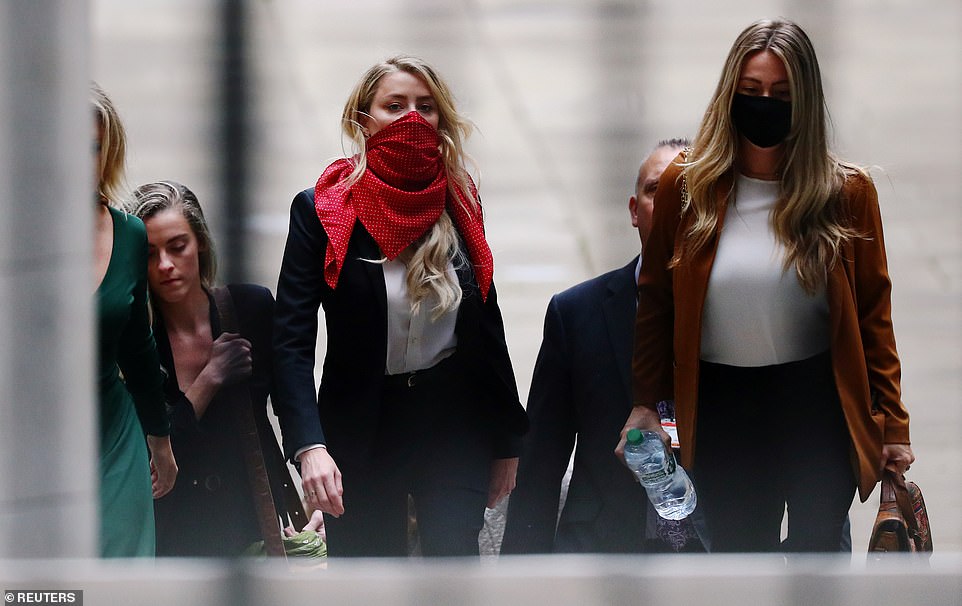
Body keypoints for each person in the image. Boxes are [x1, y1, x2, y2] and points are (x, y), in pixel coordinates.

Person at [616, 19, 914, 553]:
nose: (765, 104)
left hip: (816, 402)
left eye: (781, 93)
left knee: (818, 556)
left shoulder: (845, 191)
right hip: (723, 405)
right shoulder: (689, 185)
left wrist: (893, 425)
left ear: (805, 100)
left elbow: (874, 314)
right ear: (730, 94)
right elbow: (657, 303)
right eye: (751, 92)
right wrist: (646, 404)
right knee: (738, 558)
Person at [272, 55, 529, 557]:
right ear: (364, 121)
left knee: (452, 572)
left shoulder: (459, 198)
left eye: (425, 107)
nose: (412, 118)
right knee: (368, 577)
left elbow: (486, 323)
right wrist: (310, 447)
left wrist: (506, 440)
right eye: (395, 106)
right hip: (364, 420)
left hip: (453, 419)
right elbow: (291, 342)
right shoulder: (323, 209)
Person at [502, 140, 706, 554]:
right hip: (603, 546)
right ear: (634, 210)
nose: (671, 206)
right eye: (656, 191)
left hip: (715, 546)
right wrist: (520, 573)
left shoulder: (743, 311)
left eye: (686, 194)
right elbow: (542, 458)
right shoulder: (577, 313)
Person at [131, 181, 323, 556]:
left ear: (200, 242)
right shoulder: (138, 341)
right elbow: (151, 456)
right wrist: (210, 377)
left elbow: (293, 404)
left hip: (255, 522)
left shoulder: (250, 307)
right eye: (150, 254)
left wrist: (314, 493)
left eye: (177, 246)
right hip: (174, 533)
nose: (165, 265)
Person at [91, 83, 177, 557]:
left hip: (112, 435)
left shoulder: (128, 233)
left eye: (93, 148)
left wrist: (159, 440)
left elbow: (139, 350)